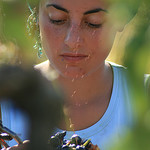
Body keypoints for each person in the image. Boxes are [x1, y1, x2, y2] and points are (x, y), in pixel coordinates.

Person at [0, 0, 142, 149]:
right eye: (58, 20)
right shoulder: (4, 99)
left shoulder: (144, 99)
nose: (73, 41)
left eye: (94, 22)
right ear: (36, 15)